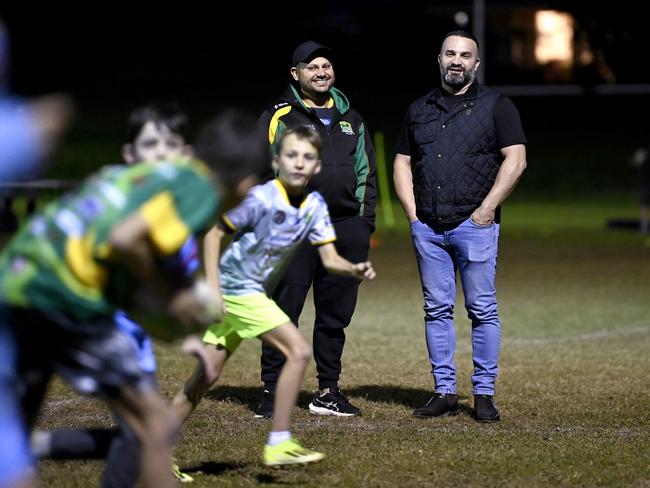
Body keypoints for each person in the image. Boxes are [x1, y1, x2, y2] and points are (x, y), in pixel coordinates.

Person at [0, 109, 267, 488]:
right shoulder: (199, 189)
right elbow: (126, 240)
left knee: (15, 436)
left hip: (17, 279)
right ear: (246, 185)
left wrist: (181, 327)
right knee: (154, 427)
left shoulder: (148, 175)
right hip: (65, 293)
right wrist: (172, 300)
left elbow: (116, 262)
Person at [171, 126, 376, 466]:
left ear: (318, 167)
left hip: (247, 293)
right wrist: (214, 289)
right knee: (298, 352)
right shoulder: (261, 197)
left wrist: (353, 269)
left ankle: (151, 450)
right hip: (239, 290)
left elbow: (330, 259)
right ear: (277, 161)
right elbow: (213, 235)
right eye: (291, 155)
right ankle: (279, 441)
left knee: (203, 378)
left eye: (308, 157)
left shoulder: (314, 207)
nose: (299, 163)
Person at [30, 102, 199, 486]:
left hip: (130, 340)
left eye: (170, 143)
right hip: (96, 331)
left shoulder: (179, 212)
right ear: (130, 155)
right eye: (150, 143)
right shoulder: (120, 202)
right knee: (150, 430)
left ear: (185, 154)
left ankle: (34, 445)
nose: (160, 152)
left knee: (151, 433)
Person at [392, 30, 527, 422]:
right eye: (450, 53)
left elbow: (515, 159)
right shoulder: (419, 108)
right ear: (439, 59)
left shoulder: (497, 106)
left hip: (475, 225)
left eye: (465, 55)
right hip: (428, 228)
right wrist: (412, 214)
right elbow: (402, 160)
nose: (457, 60)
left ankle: (483, 393)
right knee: (436, 309)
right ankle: (444, 391)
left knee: (482, 309)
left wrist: (486, 211)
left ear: (476, 63)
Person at [256, 40, 376, 418]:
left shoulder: (351, 118)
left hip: (345, 230)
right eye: (312, 67)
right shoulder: (279, 116)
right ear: (296, 74)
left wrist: (362, 223)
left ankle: (327, 391)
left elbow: (366, 174)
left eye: (326, 66)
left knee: (334, 315)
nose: (321, 72)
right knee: (282, 311)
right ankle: (272, 390)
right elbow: (260, 172)